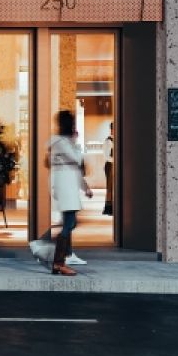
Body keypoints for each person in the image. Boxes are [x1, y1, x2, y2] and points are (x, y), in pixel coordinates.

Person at [31, 110, 92, 276]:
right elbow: (77, 159)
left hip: (66, 185)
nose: (74, 127)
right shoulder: (61, 143)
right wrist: (75, 142)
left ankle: (61, 257)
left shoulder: (59, 142)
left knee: (70, 223)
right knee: (69, 223)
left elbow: (74, 167)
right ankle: (53, 257)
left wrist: (85, 187)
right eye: (72, 123)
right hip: (64, 186)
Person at [103, 122, 115, 216]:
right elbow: (106, 156)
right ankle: (109, 208)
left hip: (115, 165)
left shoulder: (116, 140)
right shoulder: (108, 141)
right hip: (110, 165)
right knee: (110, 187)